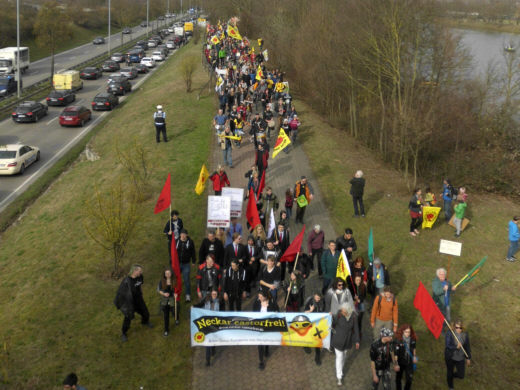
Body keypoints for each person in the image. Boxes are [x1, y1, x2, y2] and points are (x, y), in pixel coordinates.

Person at [114, 264, 153, 342]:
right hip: (130, 302)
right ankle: (124, 333)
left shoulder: (140, 277)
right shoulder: (126, 281)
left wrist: (140, 293)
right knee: (128, 317)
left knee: (145, 312)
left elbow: (140, 285)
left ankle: (145, 322)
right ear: (134, 271)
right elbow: (121, 293)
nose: (141, 272)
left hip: (139, 299)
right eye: (139, 271)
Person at [331, 303, 360, 386]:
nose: (342, 312)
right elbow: (332, 323)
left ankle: (340, 370)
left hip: (347, 341)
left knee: (344, 356)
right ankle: (339, 376)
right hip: (338, 340)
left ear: (348, 311)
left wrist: (357, 340)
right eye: (341, 310)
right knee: (339, 358)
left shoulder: (353, 316)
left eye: (344, 311)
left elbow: (356, 328)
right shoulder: (338, 314)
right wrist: (331, 316)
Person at [253, 291, 278, 370]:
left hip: (268, 326)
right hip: (259, 326)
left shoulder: (272, 303)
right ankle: (261, 361)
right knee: (260, 344)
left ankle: (267, 348)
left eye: (260, 297)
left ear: (265, 297)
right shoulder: (256, 303)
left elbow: (277, 311)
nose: (259, 298)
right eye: (258, 296)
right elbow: (253, 313)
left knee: (267, 340)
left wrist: (275, 313)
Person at [445, 319, 471, 390]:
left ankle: (451, 376)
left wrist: (468, 358)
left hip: (460, 358)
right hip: (450, 357)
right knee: (449, 372)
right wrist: (456, 347)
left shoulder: (465, 334)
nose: (458, 329)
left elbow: (467, 346)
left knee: (461, 375)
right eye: (457, 327)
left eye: (460, 328)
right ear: (454, 327)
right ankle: (451, 386)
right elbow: (448, 345)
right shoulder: (450, 333)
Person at [394, 324, 418, 390]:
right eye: (406, 332)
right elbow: (396, 354)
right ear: (402, 331)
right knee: (398, 378)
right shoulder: (398, 340)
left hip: (409, 362)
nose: (408, 334)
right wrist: (396, 364)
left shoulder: (413, 339)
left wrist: (414, 356)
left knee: (409, 379)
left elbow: (414, 348)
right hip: (400, 362)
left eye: (409, 332)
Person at [304, 292, 325, 365]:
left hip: (318, 324)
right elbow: (305, 312)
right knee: (308, 336)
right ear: (313, 296)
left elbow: (324, 311)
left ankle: (317, 357)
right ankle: (305, 346)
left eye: (319, 298)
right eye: (316, 298)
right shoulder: (309, 301)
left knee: (317, 341)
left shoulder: (322, 302)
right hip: (310, 323)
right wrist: (310, 310)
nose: (317, 300)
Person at [157, 268, 179, 337]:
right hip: (165, 299)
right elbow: (158, 290)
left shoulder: (174, 280)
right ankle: (166, 330)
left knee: (175, 310)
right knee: (166, 315)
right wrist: (164, 294)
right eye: (166, 273)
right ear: (164, 274)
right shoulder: (162, 281)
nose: (168, 275)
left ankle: (176, 318)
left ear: (171, 273)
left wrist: (176, 294)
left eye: (169, 273)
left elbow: (177, 289)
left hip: (172, 298)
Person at [202, 288, 221, 366]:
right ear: (211, 294)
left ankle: (213, 349)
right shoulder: (206, 301)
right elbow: (201, 307)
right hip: (207, 323)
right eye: (213, 294)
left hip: (215, 323)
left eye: (215, 294)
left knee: (213, 338)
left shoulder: (219, 302)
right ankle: (207, 360)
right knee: (208, 342)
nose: (214, 295)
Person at [176, 229, 196, 302]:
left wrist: (193, 261)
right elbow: (172, 251)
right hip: (177, 264)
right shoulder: (176, 241)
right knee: (176, 279)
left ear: (187, 235)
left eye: (184, 234)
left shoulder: (190, 242)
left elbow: (193, 252)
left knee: (186, 280)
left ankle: (188, 295)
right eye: (182, 234)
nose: (183, 235)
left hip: (186, 264)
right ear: (180, 235)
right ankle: (176, 293)